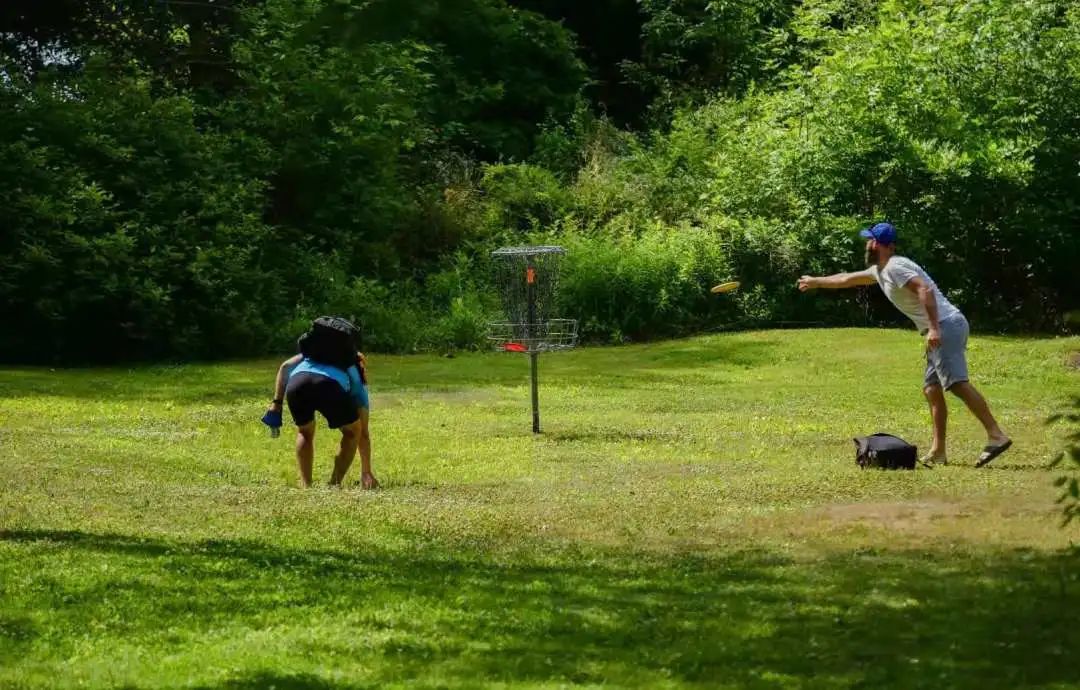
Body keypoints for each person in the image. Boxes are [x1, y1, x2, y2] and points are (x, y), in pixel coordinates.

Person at [797, 222, 1012, 467]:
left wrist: (933, 328)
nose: (867, 245)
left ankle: (996, 434)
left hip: (945, 325)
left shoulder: (895, 266)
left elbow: (924, 289)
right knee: (932, 389)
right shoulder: (880, 270)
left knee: (956, 383)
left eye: (871, 240)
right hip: (941, 326)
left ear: (882, 245)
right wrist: (816, 281)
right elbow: (846, 279)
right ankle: (938, 451)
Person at [265, 351, 378, 488]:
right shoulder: (352, 365)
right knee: (353, 432)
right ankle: (334, 483)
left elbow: (284, 367)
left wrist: (277, 403)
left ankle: (306, 485)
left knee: (304, 432)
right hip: (328, 385)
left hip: (297, 384)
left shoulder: (310, 353)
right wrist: (366, 471)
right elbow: (363, 432)